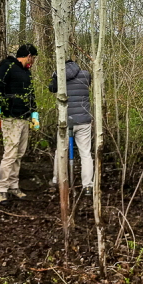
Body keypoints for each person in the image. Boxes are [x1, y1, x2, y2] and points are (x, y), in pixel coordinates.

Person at [0, 44, 39, 204]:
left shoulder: (26, 72)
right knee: (10, 154)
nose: (33, 62)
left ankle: (13, 186)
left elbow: (31, 95)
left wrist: (34, 116)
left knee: (19, 154)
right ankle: (1, 190)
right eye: (33, 58)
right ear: (28, 55)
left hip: (24, 118)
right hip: (10, 117)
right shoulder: (7, 66)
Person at [48, 59, 94, 196]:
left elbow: (51, 88)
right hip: (84, 120)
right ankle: (87, 186)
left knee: (60, 152)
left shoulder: (59, 76)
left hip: (66, 120)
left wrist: (55, 75)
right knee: (85, 153)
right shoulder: (86, 75)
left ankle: (57, 180)